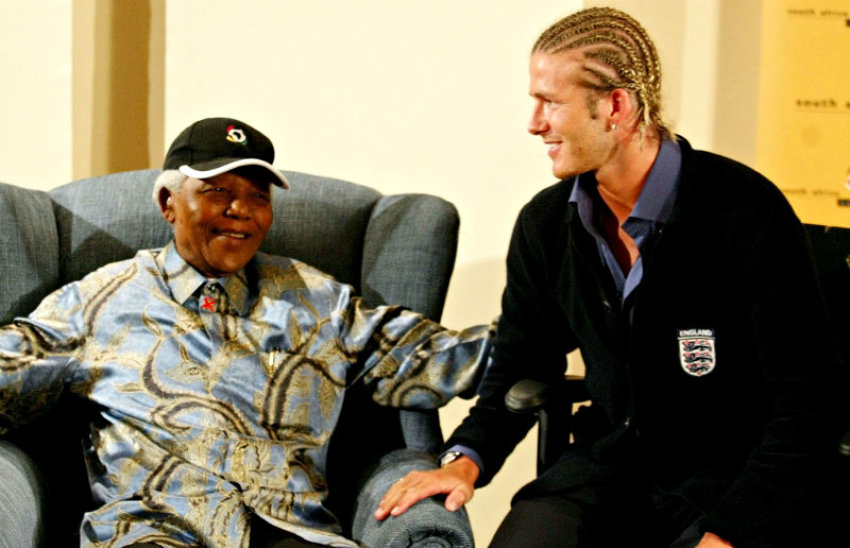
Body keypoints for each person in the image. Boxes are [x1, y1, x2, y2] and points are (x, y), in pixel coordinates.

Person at [376, 7, 839, 548]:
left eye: (550, 102)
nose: (534, 122)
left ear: (616, 106)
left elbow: (808, 399)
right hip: (607, 470)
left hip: (727, 482)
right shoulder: (546, 223)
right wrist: (465, 459)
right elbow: (521, 363)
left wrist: (734, 529)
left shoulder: (745, 210)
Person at [0, 117, 493, 548]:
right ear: (169, 202)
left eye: (257, 197)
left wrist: (543, 327)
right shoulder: (100, 300)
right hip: (154, 529)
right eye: (219, 192)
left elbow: (437, 357)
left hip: (290, 528)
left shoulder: (315, 300)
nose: (242, 211)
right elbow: (12, 365)